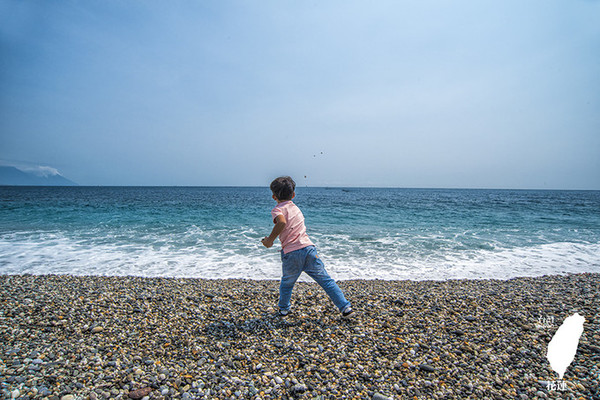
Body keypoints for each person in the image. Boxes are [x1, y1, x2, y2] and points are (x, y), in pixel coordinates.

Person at [261, 176, 353, 317]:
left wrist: (270, 240)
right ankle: (345, 307)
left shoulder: (278, 209)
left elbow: (281, 223)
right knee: (326, 280)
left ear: (273, 196)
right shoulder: (296, 208)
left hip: (292, 253)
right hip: (309, 249)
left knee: (287, 283)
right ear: (293, 195)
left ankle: (284, 308)